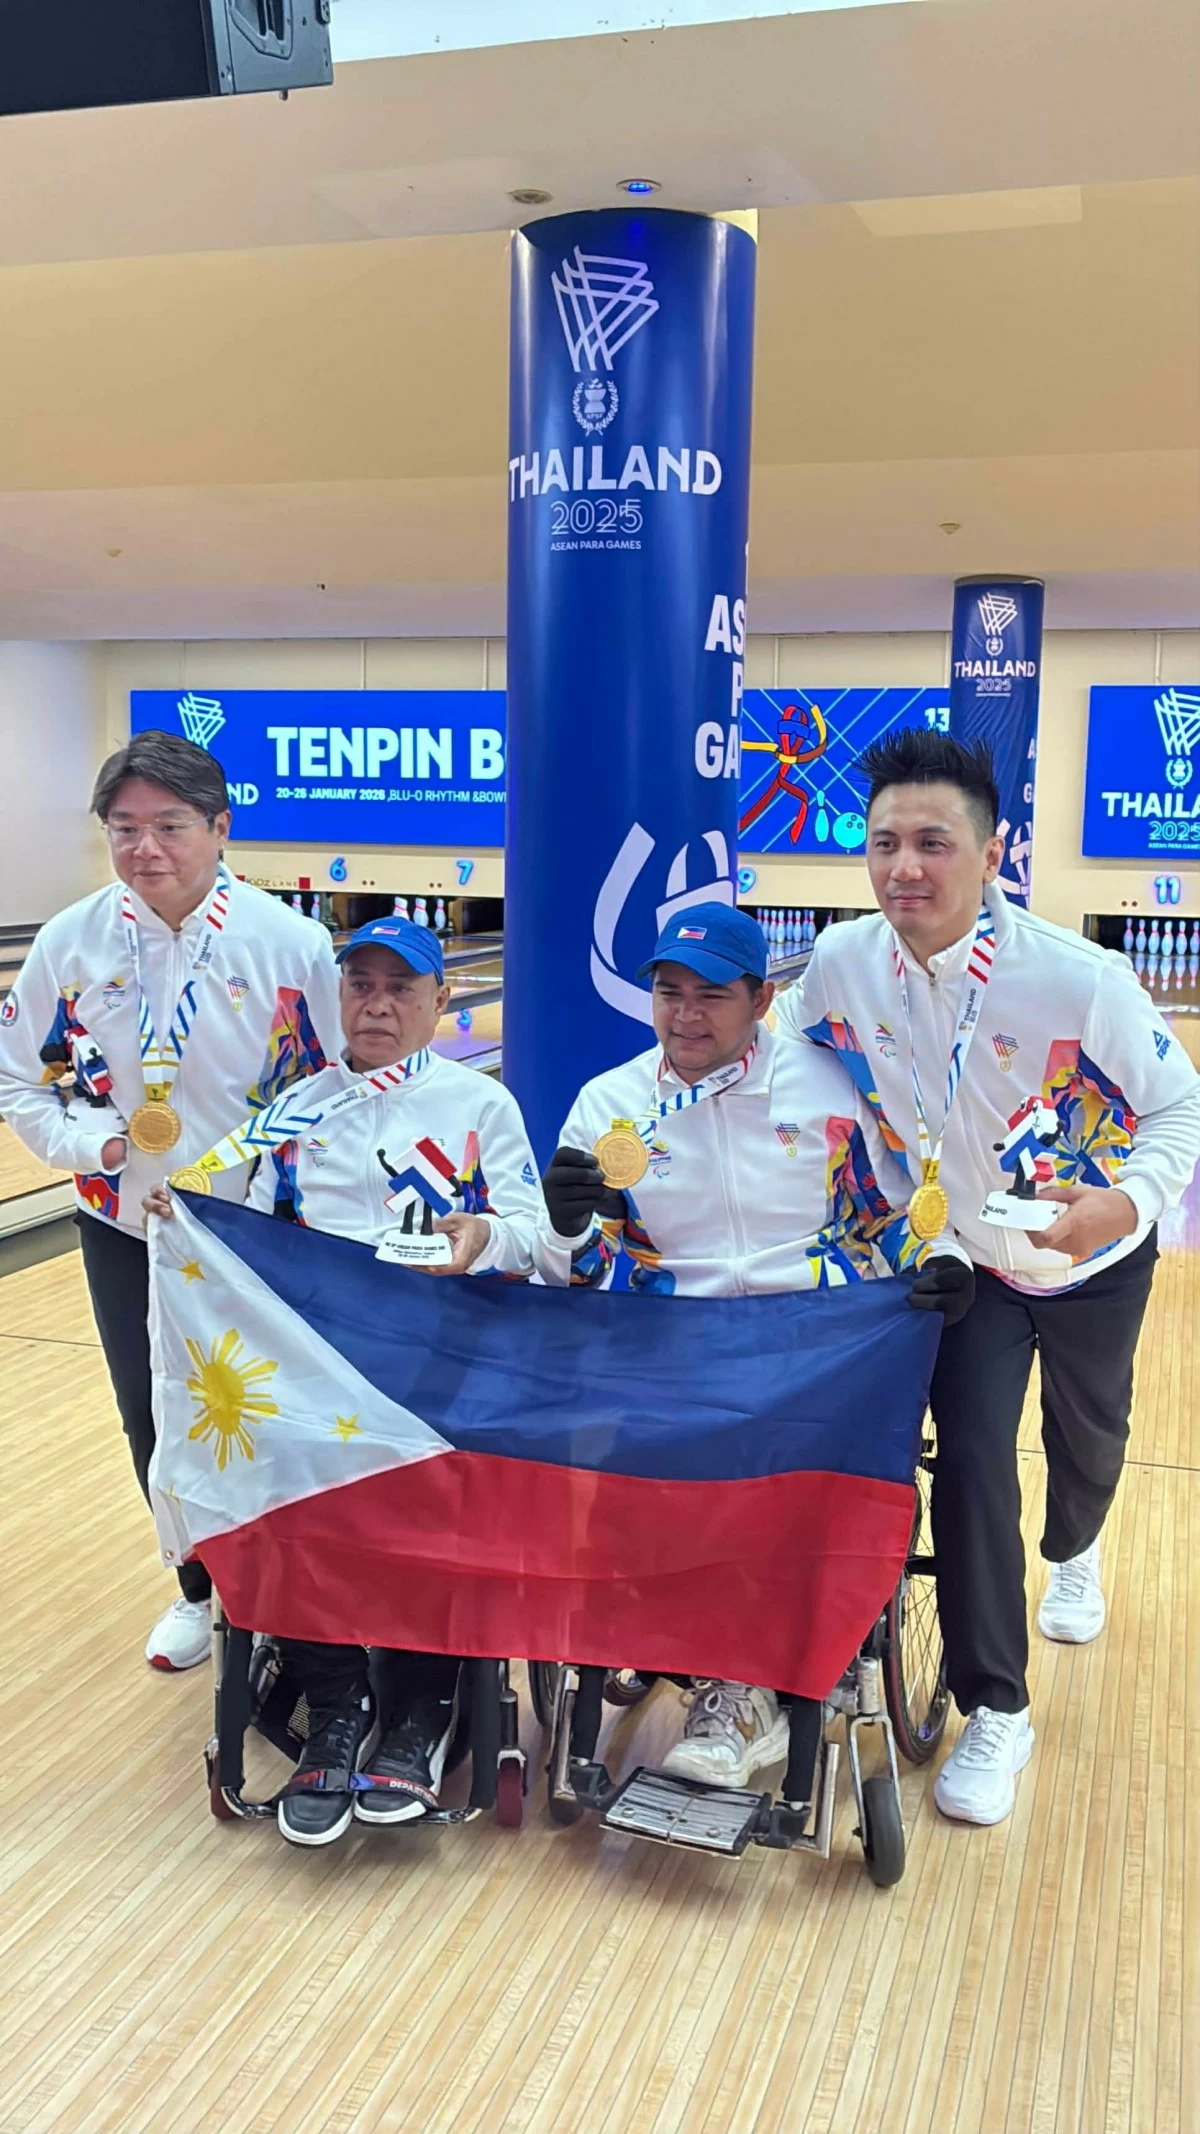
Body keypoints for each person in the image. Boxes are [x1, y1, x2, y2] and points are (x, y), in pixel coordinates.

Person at [776, 729, 1200, 1825]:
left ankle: (1077, 1543)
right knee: (968, 1460)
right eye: (884, 843)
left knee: (1090, 1438)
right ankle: (996, 1706)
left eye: (933, 842)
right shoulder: (841, 963)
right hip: (962, 1258)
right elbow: (788, 1059)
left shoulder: (1079, 976)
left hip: (1088, 1252)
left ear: (993, 851)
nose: (903, 866)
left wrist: (1127, 1204)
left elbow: (1179, 1106)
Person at [534, 901, 972, 1791]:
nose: (686, 1015)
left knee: (770, 1459)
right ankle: (677, 1640)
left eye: (712, 996)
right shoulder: (610, 1107)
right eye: (669, 993)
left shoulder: (828, 1088)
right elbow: (575, 1276)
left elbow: (887, 1215)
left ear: (762, 1000)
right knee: (649, 1457)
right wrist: (567, 1228)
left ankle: (741, 1691)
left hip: (811, 1344)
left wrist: (946, 1261)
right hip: (673, 1349)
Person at [147, 914, 542, 1847]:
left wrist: (487, 1235)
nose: (377, 1004)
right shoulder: (293, 1113)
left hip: (438, 1377)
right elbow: (241, 1237)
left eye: (401, 988)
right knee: (273, 1472)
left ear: (441, 1001)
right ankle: (335, 1701)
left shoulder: (480, 1106)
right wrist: (185, 1215)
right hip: (315, 1379)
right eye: (360, 985)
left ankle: (418, 1708)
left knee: (436, 1491)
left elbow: (535, 1237)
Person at [0, 731, 341, 1672]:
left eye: (170, 825)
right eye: (124, 828)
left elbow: (334, 1086)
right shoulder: (70, 943)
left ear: (220, 829)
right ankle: (197, 1589)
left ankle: (283, 1595)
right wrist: (97, 1148)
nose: (145, 847)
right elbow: (17, 1079)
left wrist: (278, 1188)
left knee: (269, 1413)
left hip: (255, 1231)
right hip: (122, 1225)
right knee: (149, 1413)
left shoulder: (291, 943)